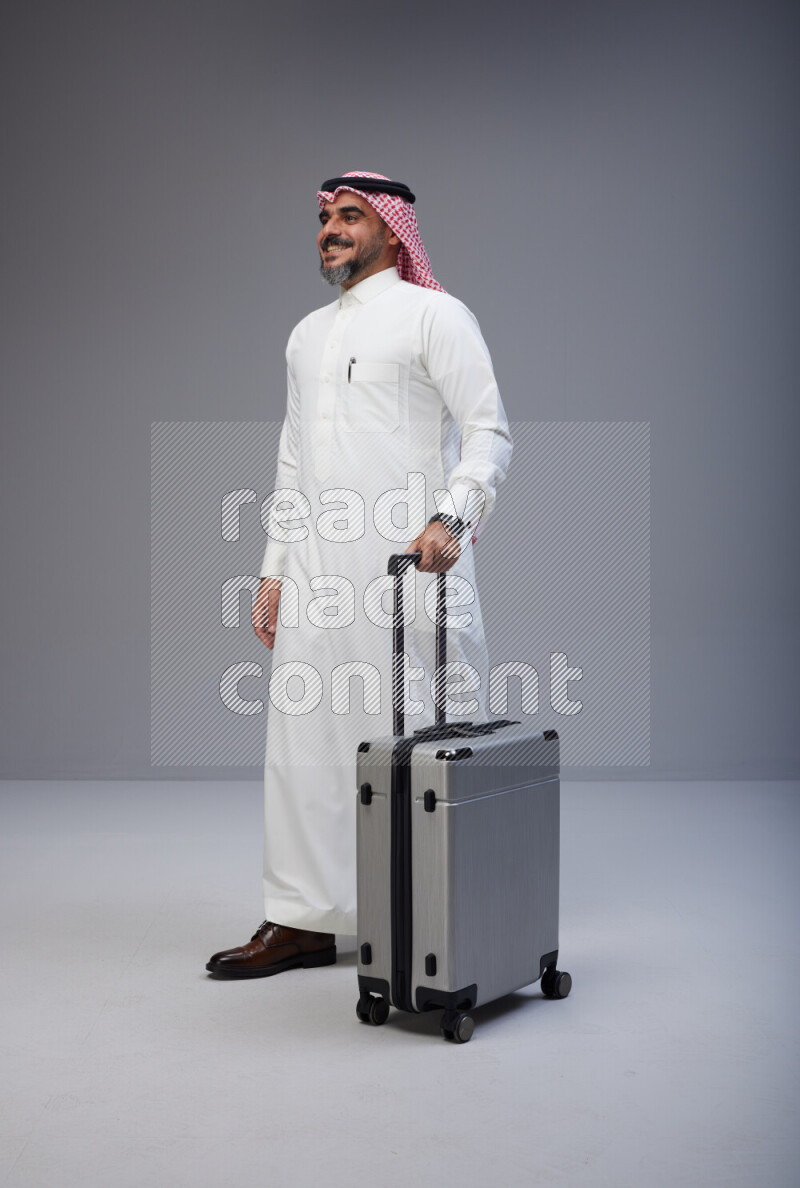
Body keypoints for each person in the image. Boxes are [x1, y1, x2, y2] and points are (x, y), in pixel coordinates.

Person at [206, 171, 512, 978]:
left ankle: (433, 915)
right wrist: (273, 570)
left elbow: (489, 433)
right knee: (304, 744)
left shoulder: (435, 317)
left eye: (349, 217)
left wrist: (454, 517)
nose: (330, 231)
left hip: (409, 568)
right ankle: (303, 920)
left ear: (391, 229)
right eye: (324, 219)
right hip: (316, 574)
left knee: (415, 737)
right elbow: (292, 461)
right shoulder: (306, 335)